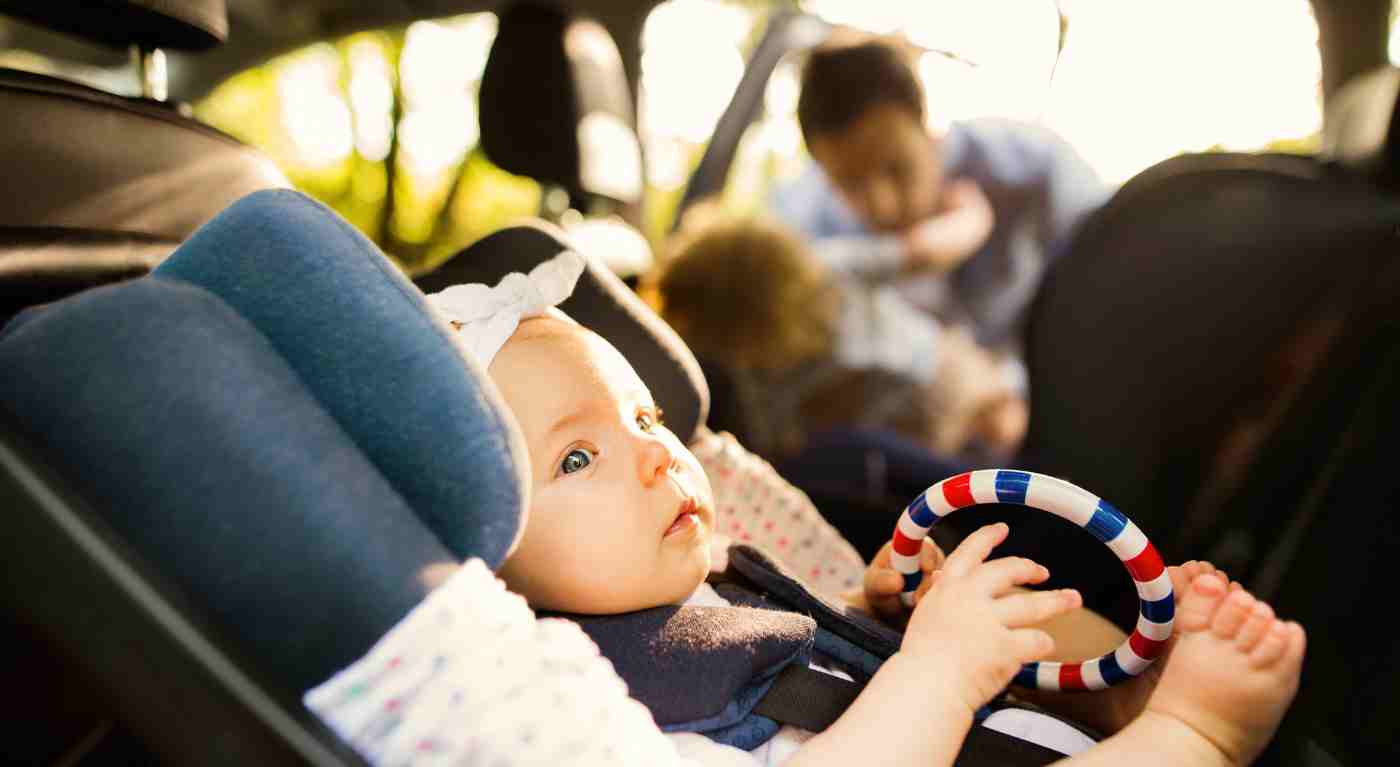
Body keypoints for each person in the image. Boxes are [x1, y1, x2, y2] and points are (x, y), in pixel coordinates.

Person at [358, 250, 1305, 767]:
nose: (655, 452)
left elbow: (827, 668)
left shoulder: (718, 574)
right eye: (576, 455)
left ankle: (1121, 693)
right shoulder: (597, 709)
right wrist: (936, 671)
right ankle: (1196, 735)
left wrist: (883, 617)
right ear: (487, 556)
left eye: (644, 415)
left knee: (1017, 618)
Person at [772, 36, 1111, 372]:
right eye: (849, 185)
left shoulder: (1033, 171)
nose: (883, 206)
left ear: (925, 120)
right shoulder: (810, 224)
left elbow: (1113, 277)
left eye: (896, 168)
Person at [652, 213, 1027, 462]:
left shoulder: (828, 267)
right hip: (922, 407)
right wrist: (972, 217)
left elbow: (920, 250)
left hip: (941, 384)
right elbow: (924, 249)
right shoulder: (761, 373)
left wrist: (971, 217)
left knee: (1001, 425)